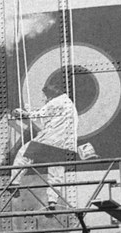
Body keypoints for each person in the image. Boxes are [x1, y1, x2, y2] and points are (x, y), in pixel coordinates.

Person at [11, 78, 78, 209]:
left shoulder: (55, 102)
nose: (45, 98)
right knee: (56, 173)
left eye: (46, 95)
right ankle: (52, 200)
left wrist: (21, 113)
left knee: (23, 154)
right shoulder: (69, 104)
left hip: (49, 140)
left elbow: (37, 115)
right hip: (65, 144)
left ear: (51, 93)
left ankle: (14, 183)